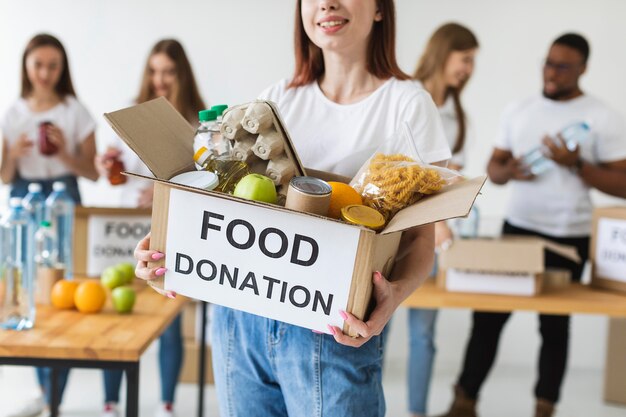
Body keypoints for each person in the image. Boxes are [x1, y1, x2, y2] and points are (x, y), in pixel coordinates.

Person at [135, 0, 452, 416]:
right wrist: (167, 246)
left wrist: (392, 297)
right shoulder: (275, 101)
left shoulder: (407, 105)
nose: (327, 4)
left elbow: (420, 238)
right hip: (242, 319)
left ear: (379, 9)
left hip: (332, 329)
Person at [436, 33, 626, 417]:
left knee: (555, 328)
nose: (551, 72)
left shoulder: (602, 116)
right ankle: (464, 402)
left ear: (583, 69)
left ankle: (544, 407)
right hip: (518, 228)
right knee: (488, 317)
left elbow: (623, 184)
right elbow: (495, 168)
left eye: (562, 66)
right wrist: (510, 171)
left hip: (569, 235)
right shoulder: (519, 109)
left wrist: (576, 164)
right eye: (548, 62)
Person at [95, 39, 206, 417]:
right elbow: (111, 171)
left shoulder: (197, 123)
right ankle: (110, 403)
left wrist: (159, 193)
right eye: (154, 71)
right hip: (123, 229)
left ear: (182, 76)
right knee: (118, 314)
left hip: (168, 229)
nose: (160, 80)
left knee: (168, 317)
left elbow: (203, 181)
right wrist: (104, 163)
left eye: (168, 72)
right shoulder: (129, 115)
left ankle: (167, 403)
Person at [0, 33, 98, 417]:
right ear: (26, 65)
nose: (44, 73)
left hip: (65, 198)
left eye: (52, 65)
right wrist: (13, 152)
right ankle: (45, 391)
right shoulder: (13, 113)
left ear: (63, 68)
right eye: (38, 64)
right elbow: (5, 177)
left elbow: (91, 173)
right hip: (22, 200)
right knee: (29, 292)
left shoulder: (76, 111)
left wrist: (65, 154)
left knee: (65, 293)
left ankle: (54, 394)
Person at [406, 23, 478, 417]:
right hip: (401, 232)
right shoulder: (405, 97)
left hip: (438, 239)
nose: (468, 69)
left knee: (423, 334)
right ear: (444, 52)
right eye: (465, 59)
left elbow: (448, 178)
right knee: (369, 332)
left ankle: (416, 412)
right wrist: (437, 223)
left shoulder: (456, 113)